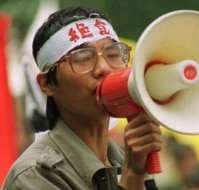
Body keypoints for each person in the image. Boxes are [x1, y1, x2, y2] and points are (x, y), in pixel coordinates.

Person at [2, 6, 162, 190]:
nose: (104, 68)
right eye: (83, 58)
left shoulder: (126, 159)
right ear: (47, 84)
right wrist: (132, 177)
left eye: (113, 55)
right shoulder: (34, 175)